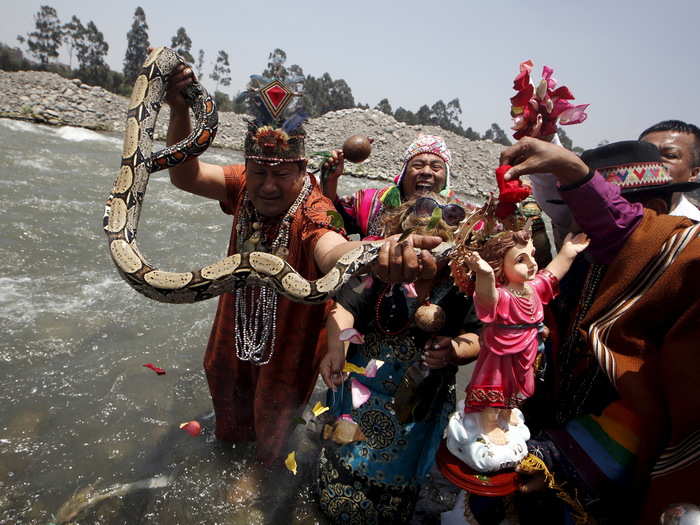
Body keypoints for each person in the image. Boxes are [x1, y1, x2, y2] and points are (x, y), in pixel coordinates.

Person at [163, 65, 443, 469]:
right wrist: (179, 111)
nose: (268, 186)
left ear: (301, 169)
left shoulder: (315, 210)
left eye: (281, 174)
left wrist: (377, 253)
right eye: (259, 172)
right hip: (236, 317)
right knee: (222, 375)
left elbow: (334, 250)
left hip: (290, 338)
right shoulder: (243, 184)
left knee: (276, 403)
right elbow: (184, 176)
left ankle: (262, 473)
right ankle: (229, 448)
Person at [499, 137, 700, 524]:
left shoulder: (677, 271)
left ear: (652, 213)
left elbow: (657, 396)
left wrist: (567, 458)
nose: (573, 228)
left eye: (589, 215)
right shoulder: (583, 263)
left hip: (617, 477)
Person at [316, 194, 481, 524]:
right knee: (340, 467)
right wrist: (336, 350)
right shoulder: (378, 275)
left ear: (452, 254)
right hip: (360, 396)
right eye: (412, 247)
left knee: (396, 495)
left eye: (430, 251)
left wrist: (454, 350)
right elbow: (344, 310)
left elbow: (478, 337)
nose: (418, 259)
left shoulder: (462, 289)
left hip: (418, 408)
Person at [322, 134, 456, 237]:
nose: (426, 172)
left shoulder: (460, 218)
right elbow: (330, 220)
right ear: (403, 174)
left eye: (435, 167)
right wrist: (331, 180)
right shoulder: (371, 202)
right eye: (418, 165)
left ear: (446, 180)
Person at [638, 119, 700, 221]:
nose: (654, 162)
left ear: (693, 173)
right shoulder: (611, 219)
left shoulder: (695, 230)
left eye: (670, 155)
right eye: (646, 154)